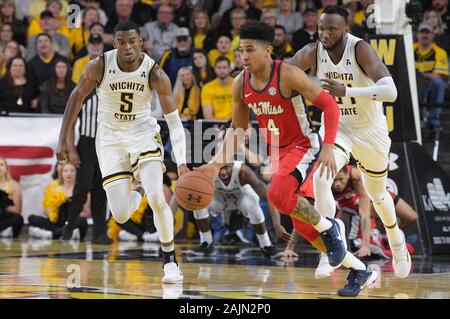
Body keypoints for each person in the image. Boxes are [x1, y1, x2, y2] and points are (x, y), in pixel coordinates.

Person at [196, 22, 376, 297]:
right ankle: (360, 270)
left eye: (250, 50)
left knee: (278, 194)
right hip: (278, 151)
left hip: (303, 144)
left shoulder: (287, 74)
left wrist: (328, 146)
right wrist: (214, 164)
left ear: (267, 51)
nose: (244, 56)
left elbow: (328, 104)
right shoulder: (239, 83)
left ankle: (331, 226)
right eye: (241, 50)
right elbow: (239, 130)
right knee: (302, 224)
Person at [56, 21, 188, 284]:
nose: (127, 47)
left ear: (140, 41)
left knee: (157, 197)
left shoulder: (155, 72)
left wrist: (182, 163)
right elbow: (75, 97)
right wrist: (64, 140)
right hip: (110, 138)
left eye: (132, 41)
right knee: (120, 214)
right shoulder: (99, 65)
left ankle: (170, 261)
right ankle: (136, 189)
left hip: (142, 135)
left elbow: (174, 122)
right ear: (114, 43)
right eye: (121, 42)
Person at [288, 5, 411, 280]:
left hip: (370, 129)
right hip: (338, 125)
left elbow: (390, 91)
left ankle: (395, 239)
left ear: (346, 29)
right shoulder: (312, 51)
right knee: (321, 179)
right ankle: (330, 246)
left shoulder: (360, 49)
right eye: (322, 28)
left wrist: (348, 90)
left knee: (378, 194)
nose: (325, 33)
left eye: (332, 28)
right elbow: (283, 74)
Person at [191, 161, 287, 258]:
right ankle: (206, 242)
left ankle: (266, 245)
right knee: (197, 199)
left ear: (232, 165)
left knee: (253, 202)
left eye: (226, 168)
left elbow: (268, 196)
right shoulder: (208, 172)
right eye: (219, 168)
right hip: (220, 199)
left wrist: (277, 224)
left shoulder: (243, 171)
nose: (223, 172)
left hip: (241, 196)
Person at [332, 165, 418, 257]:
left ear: (347, 175)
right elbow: (365, 213)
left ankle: (387, 236)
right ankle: (378, 237)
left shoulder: (356, 176)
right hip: (354, 204)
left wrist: (365, 246)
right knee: (364, 209)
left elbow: (365, 214)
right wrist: (365, 246)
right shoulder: (325, 181)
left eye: (341, 179)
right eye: (335, 180)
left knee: (411, 216)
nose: (338, 184)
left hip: (375, 193)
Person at [28, 162, 88, 240]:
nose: (68, 173)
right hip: (56, 223)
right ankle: (64, 233)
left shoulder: (82, 189)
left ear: (77, 172)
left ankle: (51, 235)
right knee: (32, 218)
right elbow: (45, 210)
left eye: (72, 170)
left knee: (82, 222)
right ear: (61, 173)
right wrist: (52, 211)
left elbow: (87, 212)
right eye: (65, 171)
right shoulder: (54, 188)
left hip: (72, 221)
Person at [0, 157, 24, 238]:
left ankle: (5, 231)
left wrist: (3, 205)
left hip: (7, 218)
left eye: (1, 165)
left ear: (6, 169)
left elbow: (17, 210)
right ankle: (3, 231)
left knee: (18, 218)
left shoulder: (14, 185)